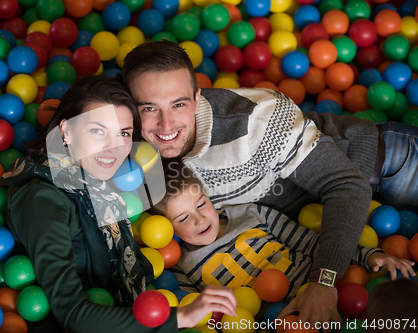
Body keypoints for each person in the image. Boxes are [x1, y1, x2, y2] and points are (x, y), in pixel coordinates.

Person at [121, 40, 418, 327]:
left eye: (178, 104)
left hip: (385, 163)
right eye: (149, 108)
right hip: (317, 222)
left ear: (197, 98)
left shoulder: (257, 120)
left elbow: (346, 183)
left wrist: (323, 281)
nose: (166, 124)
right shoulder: (138, 152)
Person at [0, 75, 237, 333]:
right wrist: (180, 317)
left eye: (123, 133)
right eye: (98, 130)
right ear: (66, 131)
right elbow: (72, 314)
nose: (113, 147)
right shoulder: (41, 198)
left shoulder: (96, 184)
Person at [151, 160, 414, 304]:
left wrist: (368, 256)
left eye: (201, 204)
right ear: (165, 229)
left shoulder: (251, 213)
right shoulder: (179, 266)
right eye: (183, 218)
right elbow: (195, 309)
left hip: (329, 289)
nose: (200, 219)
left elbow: (313, 243)